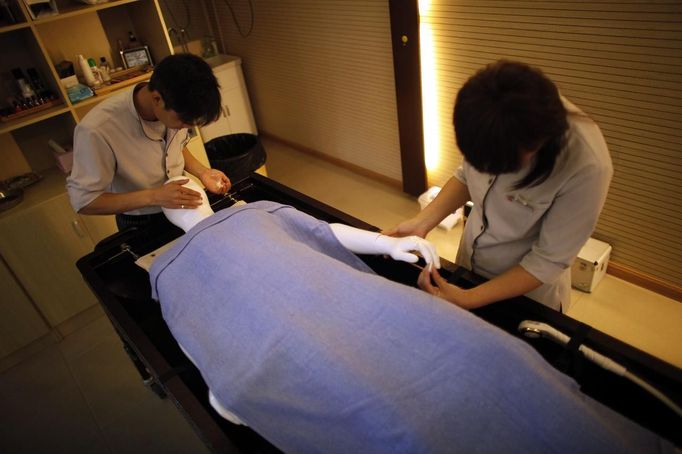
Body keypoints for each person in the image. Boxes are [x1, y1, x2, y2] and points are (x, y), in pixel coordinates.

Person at [147, 179, 670, 454]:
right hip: (292, 336)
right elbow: (198, 336)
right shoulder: (169, 269)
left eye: (185, 181)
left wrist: (386, 245)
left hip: (364, 304)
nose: (184, 192)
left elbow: (326, 234)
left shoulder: (255, 210)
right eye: (173, 189)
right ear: (164, 210)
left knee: (488, 355)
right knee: (393, 422)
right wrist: (231, 386)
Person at [390, 60, 613, 312]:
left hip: (525, 292)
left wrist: (469, 299)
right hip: (471, 261)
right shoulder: (491, 107)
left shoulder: (587, 166)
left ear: (533, 148)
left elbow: (547, 261)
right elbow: (465, 177)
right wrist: (421, 223)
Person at [66, 53, 231, 231]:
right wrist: (155, 196)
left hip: (181, 205)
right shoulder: (97, 130)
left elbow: (175, 146)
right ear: (157, 99)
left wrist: (203, 172)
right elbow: (84, 200)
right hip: (141, 221)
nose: (186, 128)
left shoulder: (173, 108)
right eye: (183, 121)